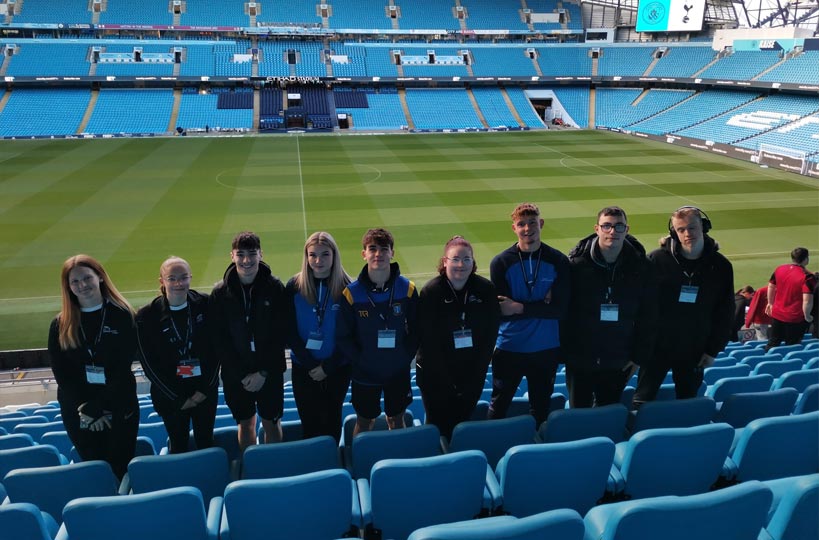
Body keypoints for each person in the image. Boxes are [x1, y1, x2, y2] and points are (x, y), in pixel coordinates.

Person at [633, 206, 734, 408]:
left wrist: (713, 350)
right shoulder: (656, 260)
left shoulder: (721, 266)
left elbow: (725, 312)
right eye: (681, 230)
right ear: (674, 232)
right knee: (642, 399)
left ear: (703, 227)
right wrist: (639, 346)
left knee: (687, 400)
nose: (687, 234)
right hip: (656, 346)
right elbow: (641, 306)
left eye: (692, 227)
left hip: (695, 348)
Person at [48, 255, 138, 480]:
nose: (82, 285)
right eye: (75, 281)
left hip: (117, 407)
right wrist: (86, 408)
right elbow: (63, 374)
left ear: (99, 277)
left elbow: (121, 369)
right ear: (68, 287)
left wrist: (99, 407)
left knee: (121, 469)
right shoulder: (60, 324)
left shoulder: (123, 316)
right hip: (79, 413)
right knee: (97, 472)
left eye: (87, 278)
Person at [562, 207, 658, 408]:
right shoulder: (576, 265)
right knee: (579, 413)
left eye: (618, 226)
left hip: (619, 359)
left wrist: (638, 356)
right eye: (607, 226)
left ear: (627, 229)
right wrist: (567, 353)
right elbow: (565, 313)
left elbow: (648, 314)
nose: (612, 231)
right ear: (597, 229)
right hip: (581, 359)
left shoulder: (642, 266)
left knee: (607, 412)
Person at [488, 203, 570, 427]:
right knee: (498, 405)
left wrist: (520, 307)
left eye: (532, 222)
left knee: (541, 407)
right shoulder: (501, 262)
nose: (528, 228)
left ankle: (538, 456)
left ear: (541, 224)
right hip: (509, 347)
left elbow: (559, 311)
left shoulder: (558, 261)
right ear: (514, 228)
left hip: (546, 349)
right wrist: (540, 306)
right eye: (522, 224)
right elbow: (502, 311)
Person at [337, 228, 418, 436]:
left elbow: (417, 330)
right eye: (372, 248)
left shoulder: (407, 288)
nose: (378, 254)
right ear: (364, 253)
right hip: (365, 371)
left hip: (397, 370)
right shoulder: (351, 293)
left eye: (384, 249)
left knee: (397, 418)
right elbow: (343, 336)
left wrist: (403, 357)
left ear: (392, 252)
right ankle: (360, 461)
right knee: (364, 422)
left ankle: (400, 462)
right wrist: (361, 360)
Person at [416, 236, 500, 439]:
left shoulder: (485, 289)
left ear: (473, 262)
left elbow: (490, 336)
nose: (461, 264)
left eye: (466, 259)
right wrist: (449, 381)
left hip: (471, 376)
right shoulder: (431, 292)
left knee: (461, 424)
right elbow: (428, 343)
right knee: (438, 427)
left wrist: (474, 375)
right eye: (455, 259)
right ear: (445, 261)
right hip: (435, 377)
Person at [210, 232, 287, 450]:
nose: (246, 260)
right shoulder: (220, 294)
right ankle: (251, 467)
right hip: (237, 376)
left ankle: (272, 468)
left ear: (261, 254)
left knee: (272, 423)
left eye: (252, 254)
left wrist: (262, 372)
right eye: (240, 254)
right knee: (245, 424)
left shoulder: (275, 288)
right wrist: (243, 375)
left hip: (269, 373)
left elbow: (279, 335)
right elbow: (220, 341)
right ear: (232, 256)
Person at [136, 257, 219, 454]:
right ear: (161, 281)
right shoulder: (146, 316)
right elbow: (149, 365)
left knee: (206, 440)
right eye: (172, 278)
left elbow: (217, 350)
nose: (178, 283)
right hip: (170, 397)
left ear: (191, 277)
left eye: (183, 277)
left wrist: (204, 390)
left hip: (204, 392)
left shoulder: (205, 304)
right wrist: (177, 398)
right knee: (178, 443)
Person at [285, 232, 352, 443]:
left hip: (337, 367)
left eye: (325, 254)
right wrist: (311, 364)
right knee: (309, 423)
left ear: (334, 255)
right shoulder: (294, 285)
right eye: (312, 255)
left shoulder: (348, 287)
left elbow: (350, 333)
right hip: (304, 368)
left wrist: (327, 367)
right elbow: (289, 331)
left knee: (332, 420)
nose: (318, 261)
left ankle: (332, 468)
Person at [765, 247, 815, 348]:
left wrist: (770, 303)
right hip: (795, 318)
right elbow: (807, 301)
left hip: (777, 314)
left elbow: (771, 286)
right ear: (806, 259)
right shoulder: (807, 277)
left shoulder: (780, 269)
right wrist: (808, 316)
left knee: (773, 342)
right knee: (792, 345)